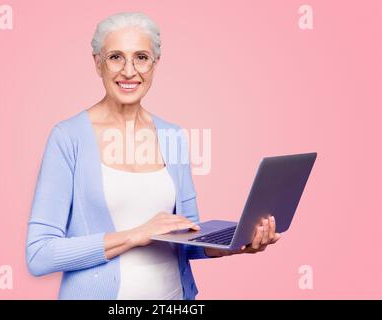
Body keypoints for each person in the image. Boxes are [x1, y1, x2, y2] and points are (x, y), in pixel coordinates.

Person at [26, 11, 281, 300]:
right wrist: (136, 235)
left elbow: (187, 240)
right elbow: (40, 254)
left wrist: (234, 243)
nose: (129, 71)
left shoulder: (173, 136)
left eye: (142, 57)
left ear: (155, 64)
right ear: (98, 63)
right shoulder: (68, 137)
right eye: (115, 57)